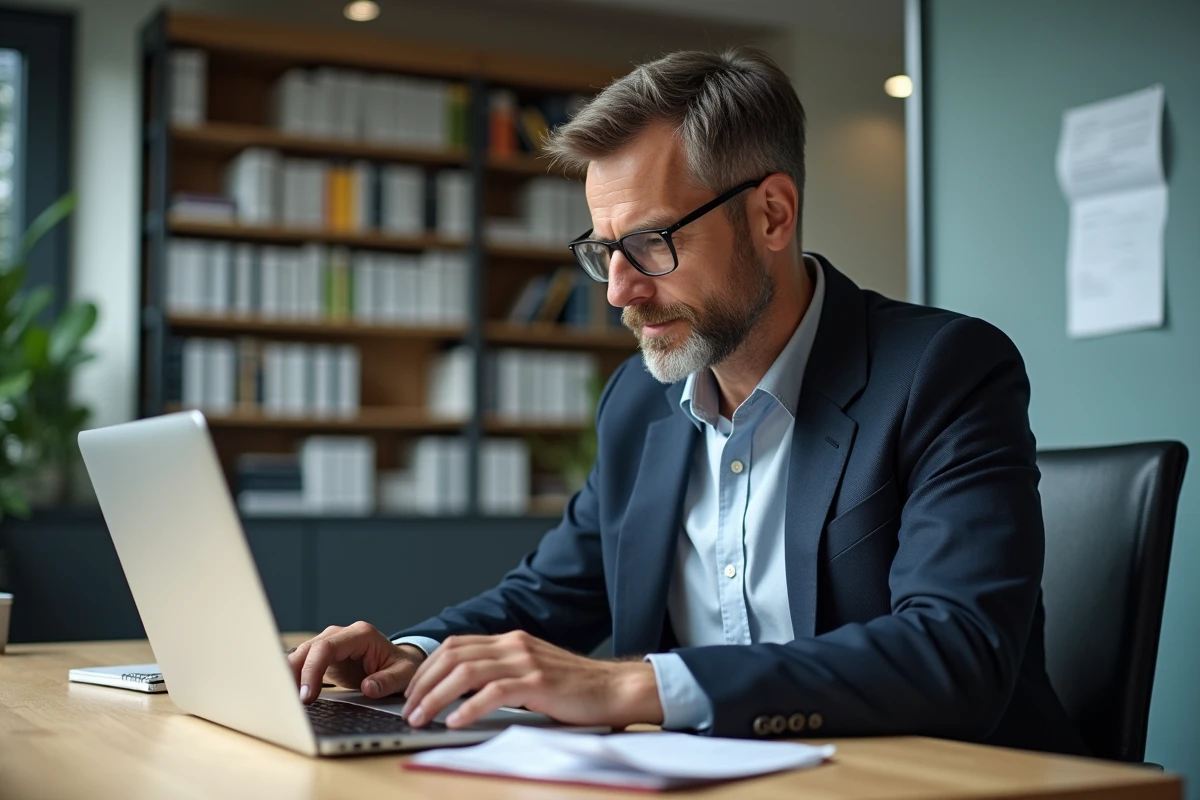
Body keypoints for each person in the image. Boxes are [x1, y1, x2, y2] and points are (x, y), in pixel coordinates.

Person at [287, 47, 1086, 754]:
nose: (621, 292)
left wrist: (633, 687)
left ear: (772, 213)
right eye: (605, 252)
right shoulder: (640, 400)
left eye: (652, 243)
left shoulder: (942, 370)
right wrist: (419, 651)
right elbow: (550, 593)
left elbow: (955, 652)